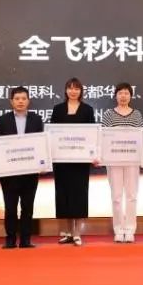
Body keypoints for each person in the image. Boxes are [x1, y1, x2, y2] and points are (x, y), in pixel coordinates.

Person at [0, 86, 44, 249]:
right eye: (17, 99)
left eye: (23, 98)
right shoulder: (2, 120)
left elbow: (41, 144)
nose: (20, 101)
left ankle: (25, 239)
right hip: (9, 172)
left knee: (27, 206)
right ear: (11, 101)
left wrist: (42, 163)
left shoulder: (36, 119)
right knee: (10, 207)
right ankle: (10, 239)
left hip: (30, 171)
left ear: (28, 101)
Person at [51, 77, 96, 247]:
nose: (73, 91)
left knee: (79, 194)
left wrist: (92, 154)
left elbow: (92, 135)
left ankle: (77, 233)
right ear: (65, 90)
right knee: (64, 194)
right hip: (62, 161)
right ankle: (68, 232)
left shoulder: (87, 110)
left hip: (80, 161)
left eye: (76, 88)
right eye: (70, 88)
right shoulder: (58, 109)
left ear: (81, 91)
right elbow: (52, 134)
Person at [102, 82, 143, 243]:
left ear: (131, 96)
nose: (123, 96)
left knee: (132, 195)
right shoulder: (108, 114)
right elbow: (104, 138)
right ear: (115, 95)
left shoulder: (137, 115)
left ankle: (130, 229)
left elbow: (141, 137)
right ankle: (119, 229)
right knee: (116, 196)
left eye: (126, 93)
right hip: (114, 161)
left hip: (132, 160)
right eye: (120, 93)